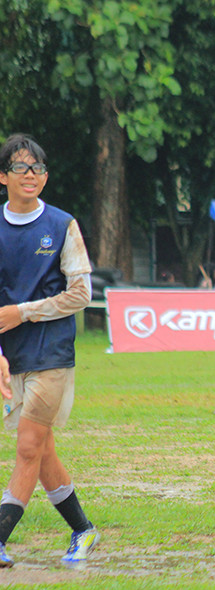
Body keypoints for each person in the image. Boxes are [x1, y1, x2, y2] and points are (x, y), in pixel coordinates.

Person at [0, 133, 99, 567]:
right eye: (21, 167)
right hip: (10, 355)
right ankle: (83, 529)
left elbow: (81, 292)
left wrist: (23, 311)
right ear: (2, 176)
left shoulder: (62, 225)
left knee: (27, 447)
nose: (31, 175)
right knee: (41, 452)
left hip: (51, 352)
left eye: (38, 168)